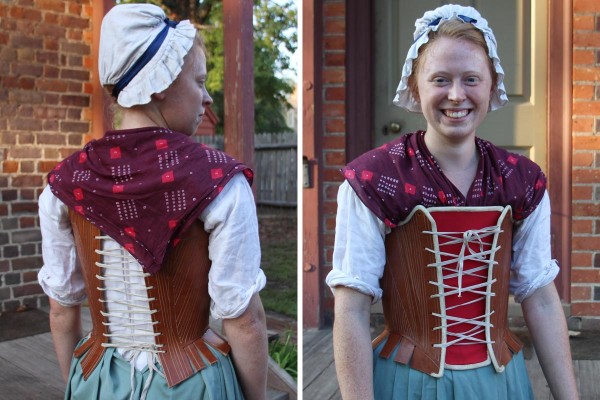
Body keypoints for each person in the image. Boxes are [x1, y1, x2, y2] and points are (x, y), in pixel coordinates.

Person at [326, 4, 578, 400]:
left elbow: (541, 299)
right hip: (406, 384)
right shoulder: (376, 179)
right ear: (415, 87)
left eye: (471, 79)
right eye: (440, 79)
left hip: (501, 384)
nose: (456, 95)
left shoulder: (521, 180)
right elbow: (351, 309)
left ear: (493, 85)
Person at [38, 4, 268, 399]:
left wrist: (79, 384)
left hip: (98, 383)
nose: (207, 98)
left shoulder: (64, 184)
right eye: (199, 81)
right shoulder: (218, 180)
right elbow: (244, 319)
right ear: (159, 83)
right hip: (194, 385)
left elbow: (61, 309)